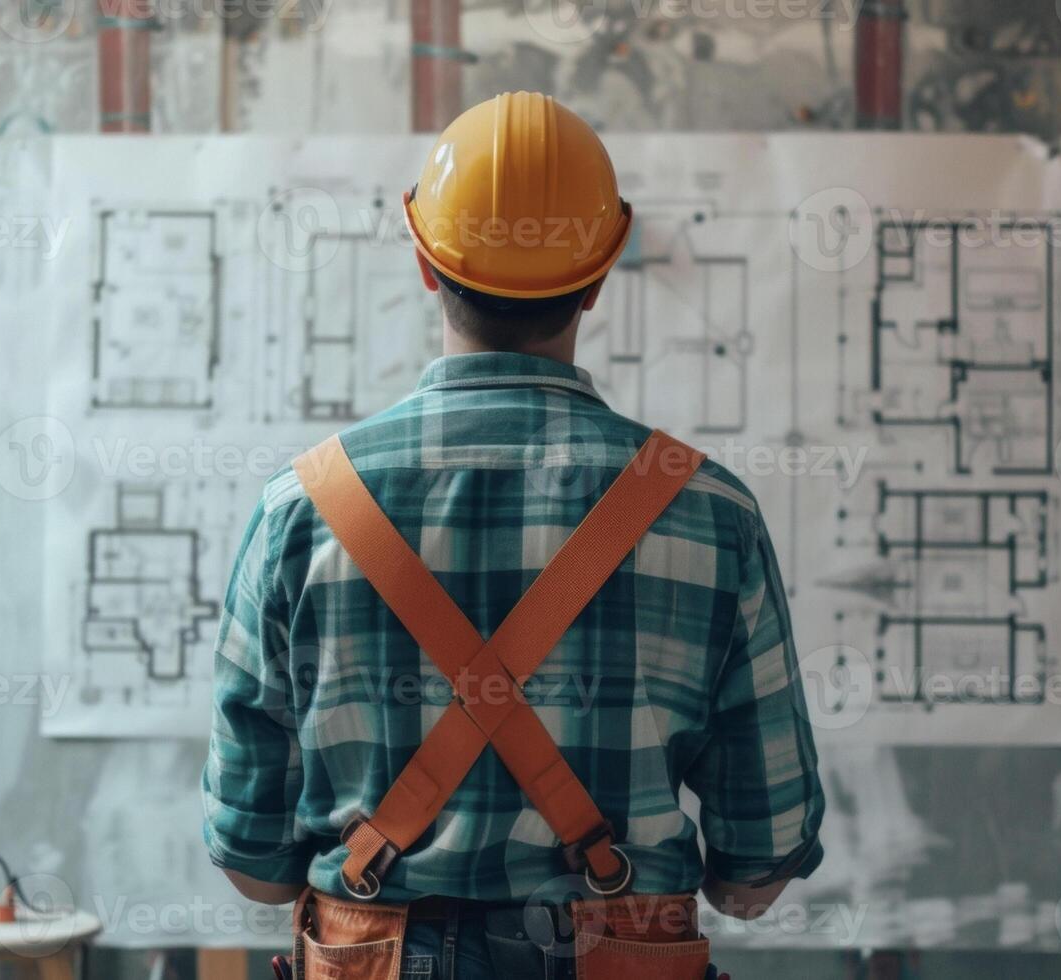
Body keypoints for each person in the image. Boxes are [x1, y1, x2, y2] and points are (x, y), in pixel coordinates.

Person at [203, 91, 824, 980]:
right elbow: (757, 870)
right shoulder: (710, 514)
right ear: (601, 274)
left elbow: (251, 869)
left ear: (425, 260)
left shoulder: (299, 511)